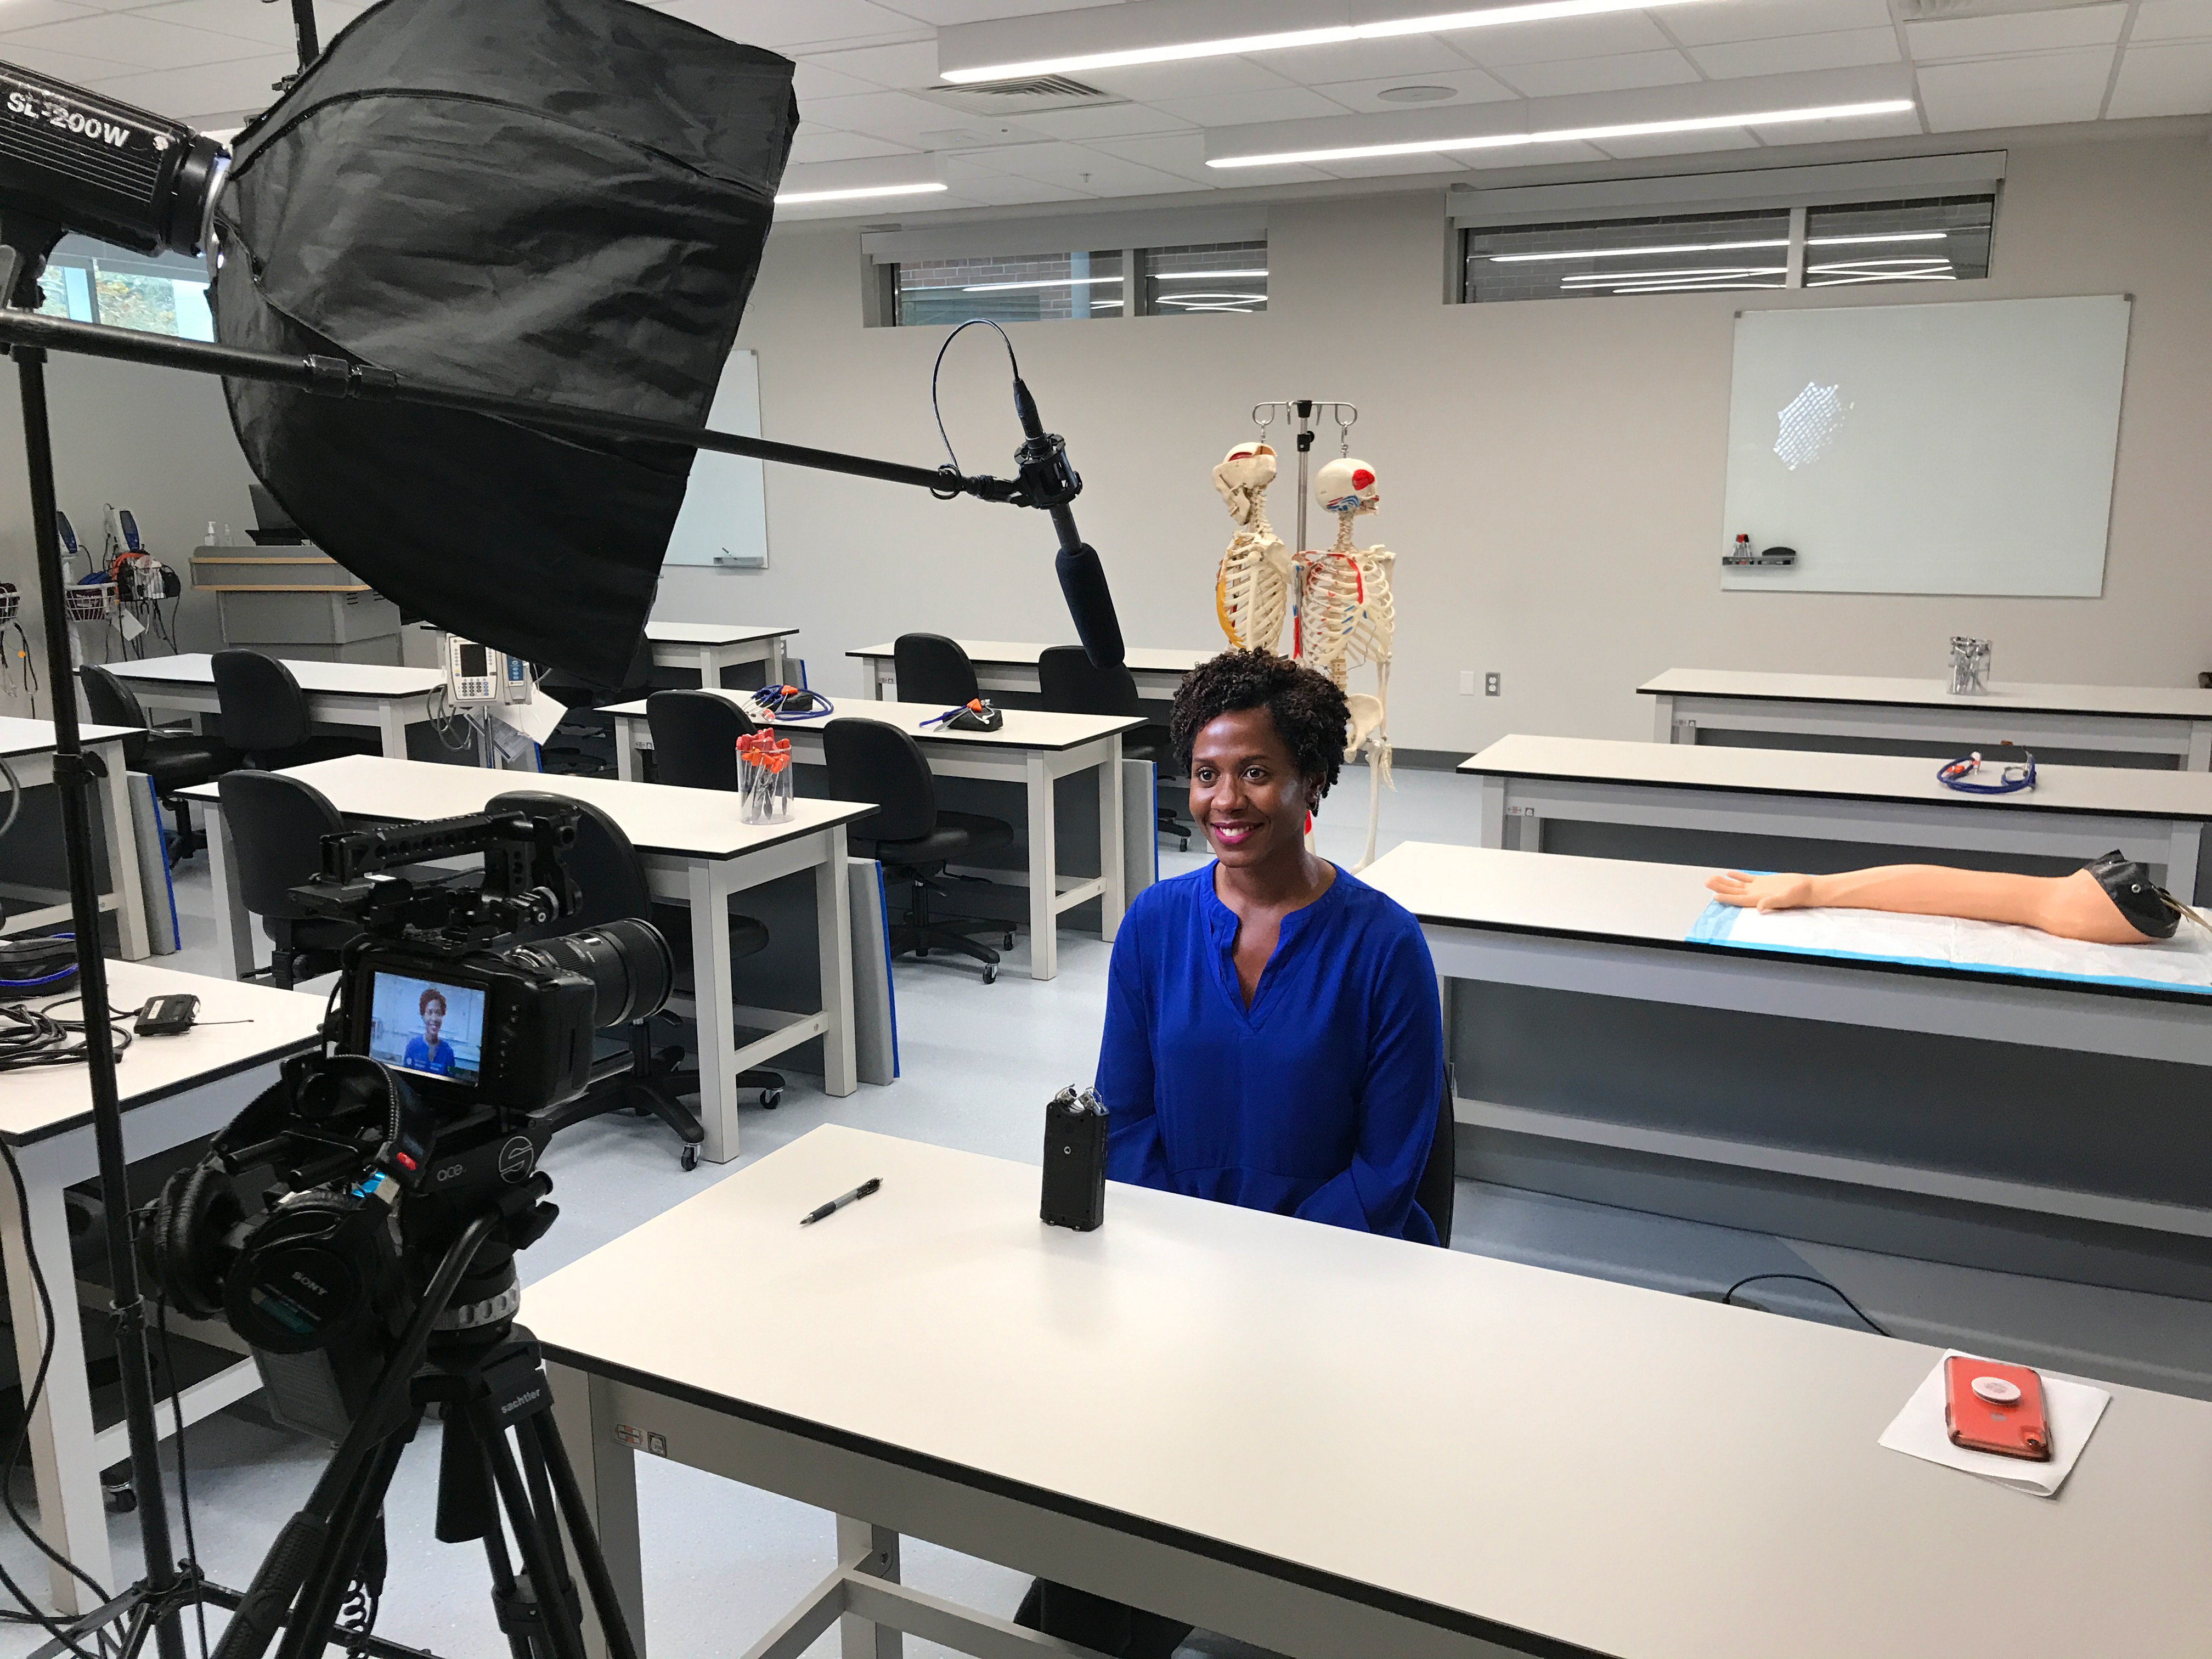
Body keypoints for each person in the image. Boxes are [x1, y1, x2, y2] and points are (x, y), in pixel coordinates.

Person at [1015, 648, 1445, 1659]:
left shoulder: (1383, 944)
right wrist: (1192, 1261)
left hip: (1340, 1272)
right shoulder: (1157, 922)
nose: (1225, 798)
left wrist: (1273, 1277)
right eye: (1206, 772)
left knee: (1281, 1491)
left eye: (1254, 770)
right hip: (1175, 1259)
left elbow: (1389, 1167)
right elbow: (1124, 1124)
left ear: (1311, 781)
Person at [401, 986, 458, 1076]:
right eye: (430, 1013)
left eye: (438, 1013)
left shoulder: (448, 1052)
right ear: (423, 1015)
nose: (434, 1018)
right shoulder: (413, 1046)